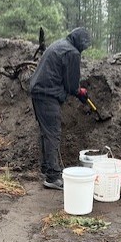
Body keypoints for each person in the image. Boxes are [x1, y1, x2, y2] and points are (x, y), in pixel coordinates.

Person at [29, 27, 91, 190]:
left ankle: (48, 169)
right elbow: (71, 85)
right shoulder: (72, 52)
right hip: (47, 94)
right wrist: (80, 92)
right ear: (80, 43)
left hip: (38, 91)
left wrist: (76, 90)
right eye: (84, 46)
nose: (83, 50)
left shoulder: (60, 44)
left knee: (46, 132)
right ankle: (53, 177)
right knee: (52, 134)